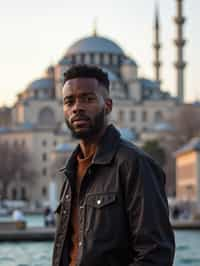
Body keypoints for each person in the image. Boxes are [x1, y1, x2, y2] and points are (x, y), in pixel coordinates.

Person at [52, 65, 175, 266]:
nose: (77, 107)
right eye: (69, 101)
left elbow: (155, 254)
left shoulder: (134, 164)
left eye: (88, 99)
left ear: (108, 105)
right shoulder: (70, 171)